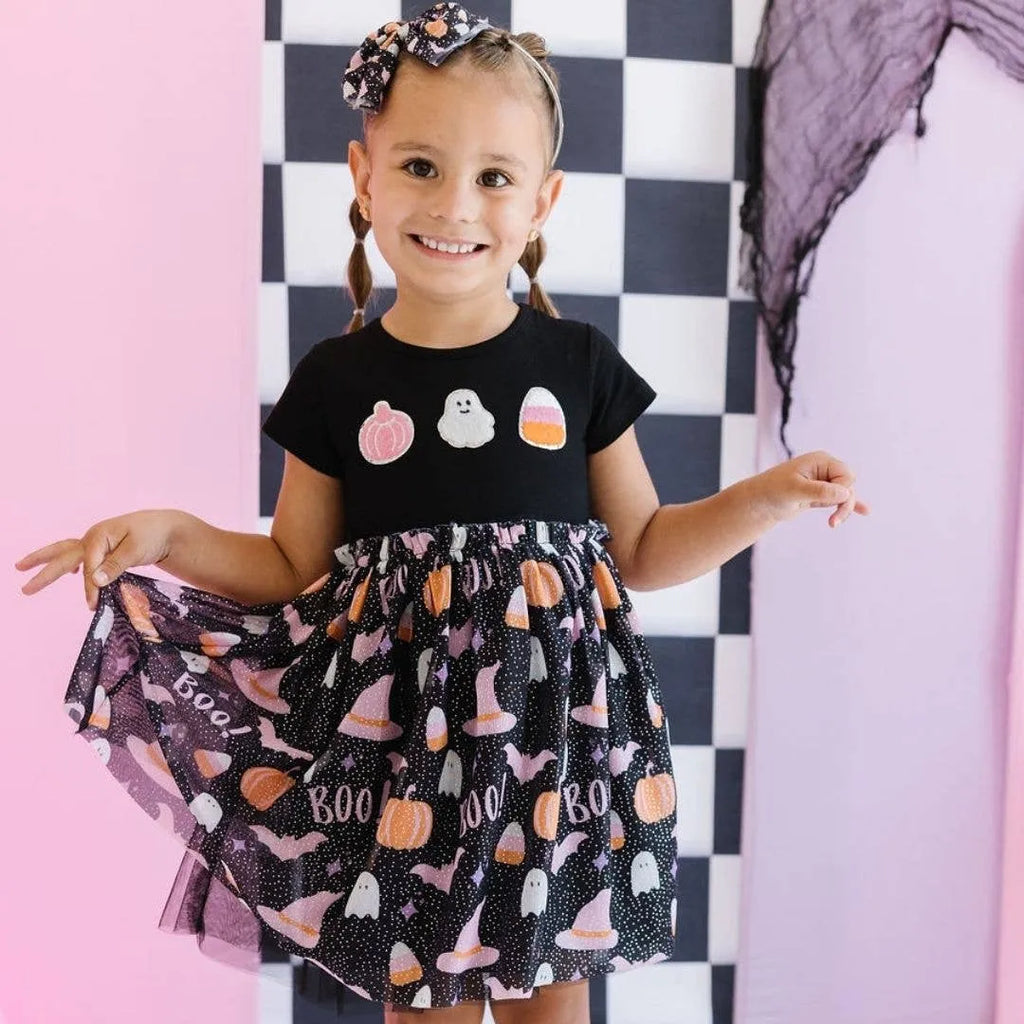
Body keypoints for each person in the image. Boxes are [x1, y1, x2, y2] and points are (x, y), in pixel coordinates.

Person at [14, 4, 870, 1022]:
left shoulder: (576, 366)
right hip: (404, 756)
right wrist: (171, 534)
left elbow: (642, 547)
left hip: (553, 752)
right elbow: (291, 565)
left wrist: (767, 495)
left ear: (542, 201)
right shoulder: (338, 381)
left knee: (552, 1005)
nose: (454, 204)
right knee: (424, 1003)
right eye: (420, 166)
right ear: (363, 175)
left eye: (494, 177)